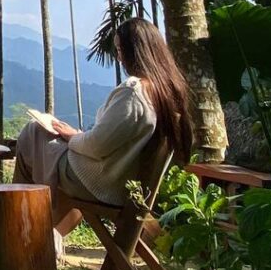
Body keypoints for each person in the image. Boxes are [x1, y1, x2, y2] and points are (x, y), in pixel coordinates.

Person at [12, 17, 193, 216]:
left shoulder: (134, 94)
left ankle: (18, 217)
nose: (119, 58)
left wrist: (73, 136)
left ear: (135, 52)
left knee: (33, 131)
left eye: (120, 50)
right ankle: (40, 225)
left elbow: (97, 146)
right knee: (43, 143)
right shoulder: (166, 93)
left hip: (98, 183)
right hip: (122, 182)